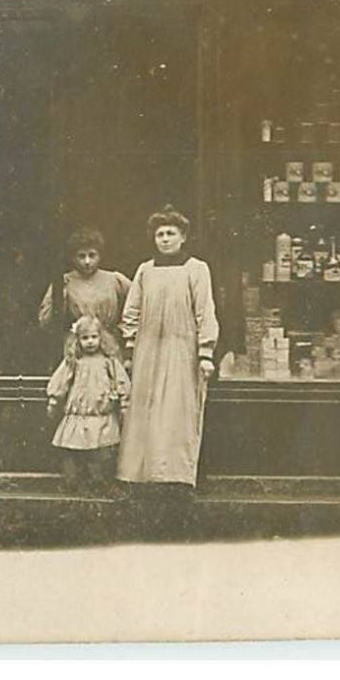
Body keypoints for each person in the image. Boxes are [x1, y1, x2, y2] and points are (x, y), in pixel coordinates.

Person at [117, 206, 219, 488]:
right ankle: (142, 475)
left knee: (178, 409)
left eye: (170, 233)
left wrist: (205, 352)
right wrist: (129, 348)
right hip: (148, 350)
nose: (164, 239)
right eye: (159, 234)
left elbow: (204, 311)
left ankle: (176, 476)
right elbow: (132, 311)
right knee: (145, 409)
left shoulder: (197, 269)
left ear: (183, 237)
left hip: (182, 349)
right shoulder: (145, 270)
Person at [46, 314, 131, 490]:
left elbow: (120, 380)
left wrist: (123, 401)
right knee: (73, 449)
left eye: (94, 337)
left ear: (101, 338)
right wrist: (54, 399)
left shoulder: (109, 361)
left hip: (101, 414)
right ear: (77, 340)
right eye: (85, 338)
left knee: (101, 452)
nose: (90, 342)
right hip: (79, 414)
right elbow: (62, 380)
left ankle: (99, 482)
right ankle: (75, 481)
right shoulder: (74, 361)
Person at [37, 228, 131, 354]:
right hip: (77, 347)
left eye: (92, 255)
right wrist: (62, 293)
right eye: (81, 256)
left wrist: (123, 330)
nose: (87, 261)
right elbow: (46, 321)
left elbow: (137, 305)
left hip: (109, 346)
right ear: (73, 258)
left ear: (100, 256)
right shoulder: (65, 282)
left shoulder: (115, 280)